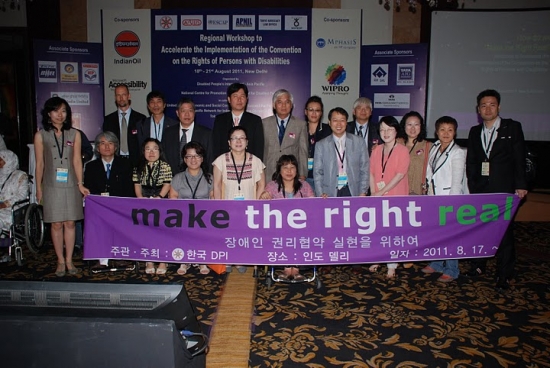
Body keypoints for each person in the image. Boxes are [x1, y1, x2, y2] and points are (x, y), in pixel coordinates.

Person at [465, 89, 528, 291]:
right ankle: (478, 266)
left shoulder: (512, 127)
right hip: (481, 191)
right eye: (483, 105)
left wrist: (521, 185)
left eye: (492, 104)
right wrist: (473, 188)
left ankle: (504, 274)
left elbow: (519, 159)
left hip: (504, 190)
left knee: (504, 232)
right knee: (481, 229)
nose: (487, 108)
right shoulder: (475, 132)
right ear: (478, 109)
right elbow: (472, 162)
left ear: (498, 106)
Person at [34, 97, 89, 277]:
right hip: (51, 185)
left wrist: (80, 184)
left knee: (71, 223)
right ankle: (59, 260)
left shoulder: (75, 134)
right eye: (56, 111)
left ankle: (69, 260)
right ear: (48, 113)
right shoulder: (41, 135)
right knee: (56, 224)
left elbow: (76, 162)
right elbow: (40, 164)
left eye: (64, 110)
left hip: (71, 184)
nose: (60, 114)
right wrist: (38, 187)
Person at [213, 126, 266, 273]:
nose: (238, 141)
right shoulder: (220, 161)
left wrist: (255, 203)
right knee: (229, 233)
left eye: (242, 138)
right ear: (229, 142)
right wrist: (219, 205)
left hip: (248, 205)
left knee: (244, 233)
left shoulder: (255, 161)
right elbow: (216, 185)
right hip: (227, 204)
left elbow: (261, 184)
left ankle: (241, 259)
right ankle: (229, 259)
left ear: (247, 142)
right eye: (234, 138)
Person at [421, 116, 466, 282]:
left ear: (455, 132)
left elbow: (457, 181)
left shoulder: (457, 152)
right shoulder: (434, 147)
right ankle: (437, 263)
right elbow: (429, 171)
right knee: (437, 234)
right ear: (436, 131)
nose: (446, 133)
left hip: (449, 200)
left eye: (450, 130)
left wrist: (452, 204)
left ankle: (452, 269)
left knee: (450, 235)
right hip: (434, 198)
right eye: (442, 130)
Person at [84, 131, 135, 272]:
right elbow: (89, 189)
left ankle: (120, 257)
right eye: (103, 143)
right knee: (97, 223)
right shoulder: (90, 167)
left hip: (120, 206)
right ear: (97, 148)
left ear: (116, 147)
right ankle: (102, 259)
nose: (107, 147)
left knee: (121, 224)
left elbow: (129, 189)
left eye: (110, 143)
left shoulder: (125, 164)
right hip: (99, 207)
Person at [259, 154, 314, 280]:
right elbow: (263, 203)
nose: (289, 171)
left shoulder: (304, 185)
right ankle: (287, 267)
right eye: (285, 167)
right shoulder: (272, 186)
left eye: (292, 167)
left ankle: (296, 268)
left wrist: (322, 200)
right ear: (279, 170)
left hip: (301, 227)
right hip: (278, 228)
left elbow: (313, 206)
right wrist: (264, 197)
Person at [368, 116, 410, 279]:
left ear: (396, 131)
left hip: (396, 197)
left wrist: (382, 191)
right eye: (382, 130)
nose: (386, 133)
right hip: (377, 198)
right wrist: (374, 192)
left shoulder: (402, 150)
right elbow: (371, 172)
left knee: (393, 232)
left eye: (389, 129)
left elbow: (399, 175)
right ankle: (377, 258)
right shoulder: (376, 150)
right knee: (378, 231)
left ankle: (392, 265)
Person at [169, 141, 212, 276]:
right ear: (184, 159)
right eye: (189, 156)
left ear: (202, 158)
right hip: (183, 216)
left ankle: (201, 260)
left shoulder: (209, 178)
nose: (193, 159)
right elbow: (173, 198)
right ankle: (184, 260)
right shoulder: (178, 178)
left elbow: (213, 200)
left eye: (197, 156)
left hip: (204, 216)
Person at [133, 138, 173, 275]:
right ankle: (149, 260)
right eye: (147, 149)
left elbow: (167, 184)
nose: (151, 152)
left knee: (162, 232)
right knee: (146, 232)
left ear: (159, 151)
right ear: (143, 151)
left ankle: (163, 260)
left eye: (154, 148)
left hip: (160, 202)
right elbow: (137, 185)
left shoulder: (165, 166)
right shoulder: (138, 167)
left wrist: (159, 197)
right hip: (143, 202)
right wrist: (140, 198)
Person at [313, 107, 369, 198]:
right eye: (335, 120)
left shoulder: (359, 142)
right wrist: (320, 193)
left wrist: (363, 191)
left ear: (346, 122)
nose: (339, 124)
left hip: (354, 191)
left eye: (342, 120)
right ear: (329, 123)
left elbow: (364, 169)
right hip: (329, 193)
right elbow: (318, 172)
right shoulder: (321, 145)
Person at [262, 89, 308, 183]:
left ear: (291, 105)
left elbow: (303, 151)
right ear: (274, 105)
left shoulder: (300, 125)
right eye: (279, 102)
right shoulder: (264, 123)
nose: (283, 106)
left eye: (287, 102)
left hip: (291, 174)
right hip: (268, 174)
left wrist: (302, 173)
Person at [211, 83, 264, 161]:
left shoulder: (255, 121)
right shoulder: (220, 120)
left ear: (246, 99)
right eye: (235, 96)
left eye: (242, 96)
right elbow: (215, 147)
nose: (239, 100)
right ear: (229, 99)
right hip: (224, 165)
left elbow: (258, 149)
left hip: (248, 166)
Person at [163, 97, 212, 175]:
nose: (187, 114)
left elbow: (209, 159)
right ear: (177, 113)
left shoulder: (206, 133)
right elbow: (164, 159)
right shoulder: (168, 133)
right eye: (183, 111)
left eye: (190, 111)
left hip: (199, 180)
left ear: (194, 113)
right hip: (173, 180)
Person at [102, 84, 146, 165]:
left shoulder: (141, 118)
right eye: (118, 95)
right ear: (115, 97)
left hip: (136, 162)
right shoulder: (108, 120)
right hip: (116, 161)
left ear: (129, 96)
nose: (121, 98)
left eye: (124, 95)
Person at [399, 111, 431, 195]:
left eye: (416, 125)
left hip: (419, 192)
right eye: (409, 125)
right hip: (398, 191)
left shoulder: (428, 146)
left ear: (421, 126)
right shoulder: (396, 144)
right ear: (404, 126)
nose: (412, 128)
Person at [304, 96, 331, 191]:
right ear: (306, 112)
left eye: (317, 110)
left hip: (322, 178)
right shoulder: (299, 129)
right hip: (302, 178)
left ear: (321, 113)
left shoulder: (329, 130)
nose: (314, 113)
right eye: (311, 110)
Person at [0, 150, 29, 231]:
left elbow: (22, 195)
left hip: (13, 207)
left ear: (8, 160)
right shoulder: (1, 174)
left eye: (0, 160)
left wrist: (5, 204)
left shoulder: (20, 175)